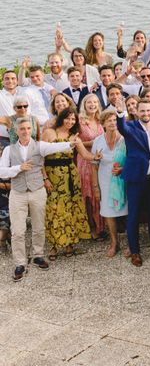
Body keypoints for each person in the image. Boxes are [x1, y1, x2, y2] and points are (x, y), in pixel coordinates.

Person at [0, 118, 76, 281]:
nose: (26, 131)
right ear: (15, 131)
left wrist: (70, 144)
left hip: (37, 191)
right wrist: (18, 168)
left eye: (28, 128)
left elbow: (54, 147)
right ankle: (20, 263)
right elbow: (1, 172)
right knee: (18, 231)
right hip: (18, 193)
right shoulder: (8, 150)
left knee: (38, 227)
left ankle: (38, 255)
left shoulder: (39, 146)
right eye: (22, 129)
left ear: (32, 130)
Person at [116, 98, 150, 267]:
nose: (145, 113)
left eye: (148, 110)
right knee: (133, 215)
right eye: (142, 111)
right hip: (135, 178)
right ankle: (135, 251)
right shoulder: (130, 127)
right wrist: (120, 113)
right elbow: (122, 127)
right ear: (136, 112)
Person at [41, 109, 96, 259]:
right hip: (52, 176)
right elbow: (39, 157)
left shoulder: (75, 137)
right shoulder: (48, 133)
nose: (70, 122)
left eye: (73, 119)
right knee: (53, 209)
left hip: (70, 176)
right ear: (61, 118)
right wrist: (45, 178)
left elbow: (85, 155)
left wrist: (97, 157)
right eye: (68, 119)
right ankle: (53, 245)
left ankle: (69, 243)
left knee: (69, 209)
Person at [91, 111, 128, 257]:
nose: (113, 123)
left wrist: (124, 169)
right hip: (105, 180)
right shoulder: (98, 141)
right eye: (109, 121)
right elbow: (94, 165)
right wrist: (96, 188)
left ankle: (131, 243)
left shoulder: (125, 139)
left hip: (124, 179)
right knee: (108, 211)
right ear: (103, 124)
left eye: (115, 120)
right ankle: (114, 242)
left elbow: (133, 159)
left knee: (129, 209)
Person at [77, 94, 104, 240]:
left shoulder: (101, 120)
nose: (92, 104)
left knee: (100, 192)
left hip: (101, 161)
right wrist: (93, 142)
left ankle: (103, 225)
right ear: (84, 104)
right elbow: (76, 142)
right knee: (88, 194)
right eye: (89, 102)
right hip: (85, 160)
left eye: (95, 102)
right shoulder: (80, 121)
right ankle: (92, 227)